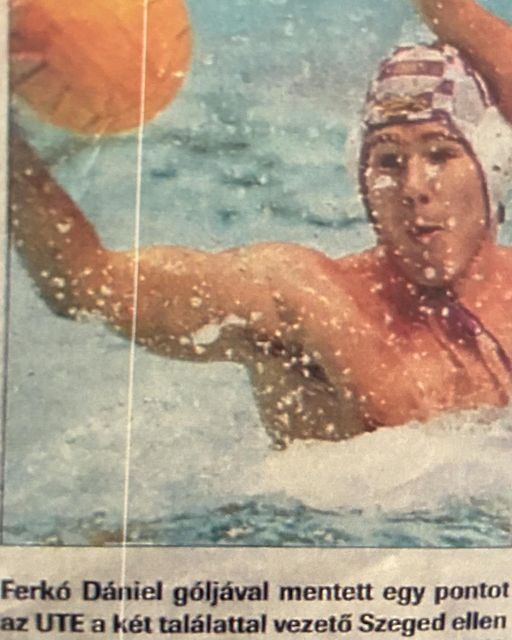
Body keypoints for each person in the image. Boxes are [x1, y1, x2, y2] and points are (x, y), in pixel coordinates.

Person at [9, 0, 512, 447]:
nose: (413, 187)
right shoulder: (310, 301)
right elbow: (84, 284)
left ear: (491, 168)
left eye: (441, 154)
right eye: (388, 162)